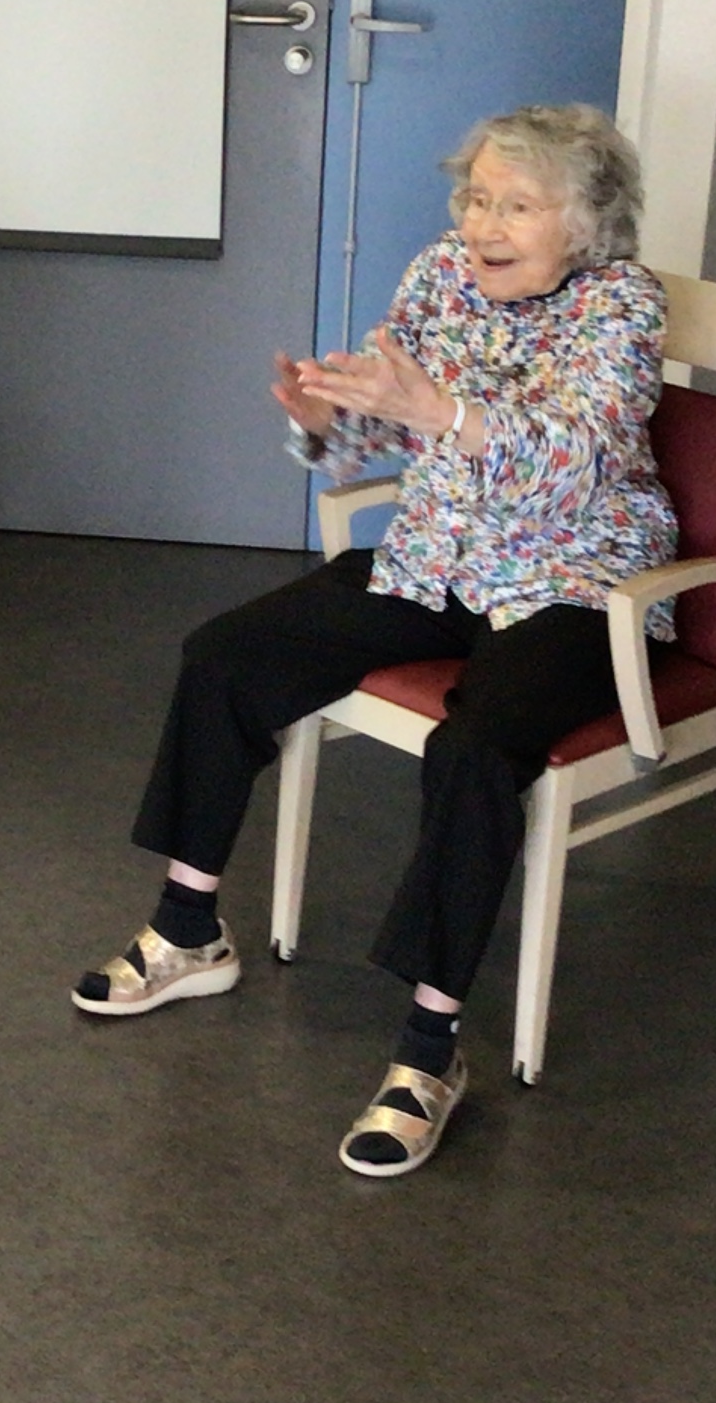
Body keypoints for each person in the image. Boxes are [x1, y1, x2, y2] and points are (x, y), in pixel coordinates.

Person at [72, 104, 677, 1175]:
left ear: (586, 224)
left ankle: (429, 1050)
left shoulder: (624, 304)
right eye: (476, 197)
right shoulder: (442, 273)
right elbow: (384, 422)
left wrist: (442, 413)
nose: (482, 224)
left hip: (577, 580)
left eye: (516, 206)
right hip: (437, 556)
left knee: (477, 746)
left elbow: (574, 463)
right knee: (227, 654)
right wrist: (321, 421)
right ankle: (189, 928)